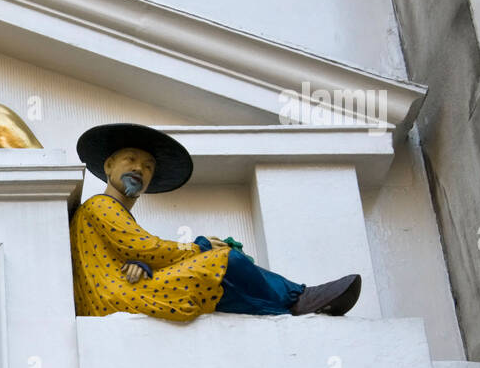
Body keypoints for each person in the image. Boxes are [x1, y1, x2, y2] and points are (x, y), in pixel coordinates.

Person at [71, 123, 361, 321]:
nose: (139, 169)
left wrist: (143, 265)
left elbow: (133, 254)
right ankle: (299, 298)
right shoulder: (100, 205)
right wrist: (198, 245)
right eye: (130, 160)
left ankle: (289, 306)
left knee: (224, 280)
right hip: (118, 298)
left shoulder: (114, 212)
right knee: (226, 261)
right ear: (109, 165)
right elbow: (145, 248)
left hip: (125, 288)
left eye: (148, 167)